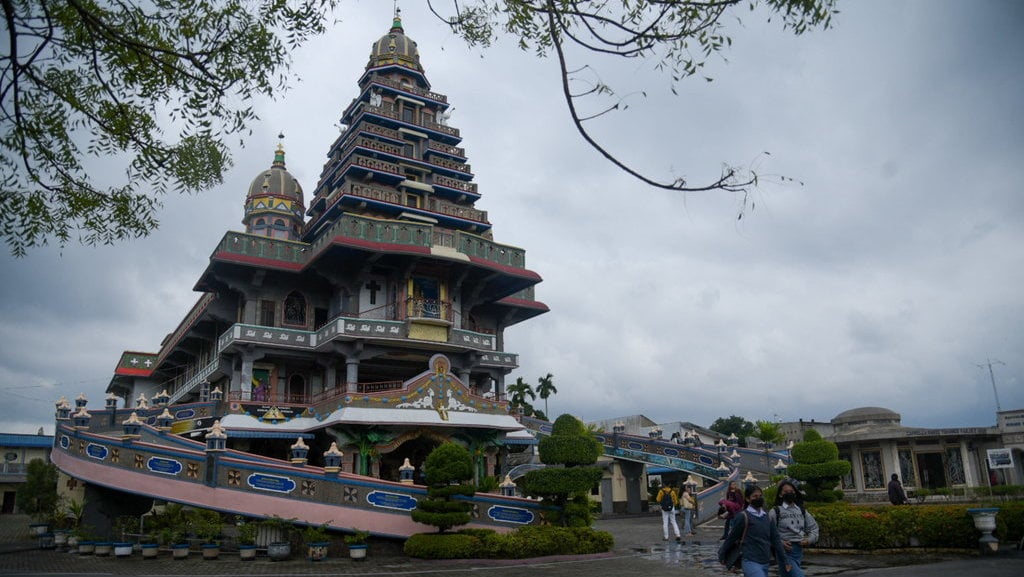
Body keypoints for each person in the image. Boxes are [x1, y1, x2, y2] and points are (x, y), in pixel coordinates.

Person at [718, 485, 790, 577]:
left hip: (765, 561)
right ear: (748, 499)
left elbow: (776, 539)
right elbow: (732, 537)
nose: (758, 498)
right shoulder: (743, 517)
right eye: (755, 496)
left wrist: (785, 560)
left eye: (760, 496)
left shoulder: (768, 517)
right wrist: (722, 554)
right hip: (749, 560)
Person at [768, 479, 819, 577]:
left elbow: (814, 528)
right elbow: (767, 532)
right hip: (784, 551)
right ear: (780, 494)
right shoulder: (775, 512)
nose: (789, 493)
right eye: (786, 492)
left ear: (795, 493)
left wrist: (809, 540)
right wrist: (780, 542)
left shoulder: (802, 511)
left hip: (799, 550)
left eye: (791, 491)